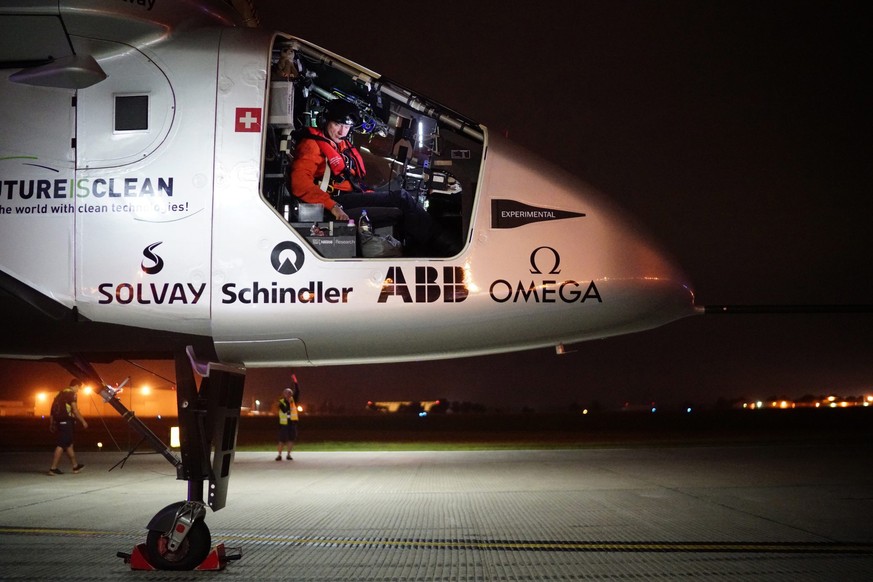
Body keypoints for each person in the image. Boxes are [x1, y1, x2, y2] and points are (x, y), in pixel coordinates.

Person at [289, 99, 459, 256]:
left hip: (348, 196)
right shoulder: (311, 145)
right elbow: (300, 184)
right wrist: (333, 207)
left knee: (403, 199)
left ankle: (431, 248)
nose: (342, 131)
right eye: (337, 124)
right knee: (401, 198)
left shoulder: (339, 143)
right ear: (325, 121)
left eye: (347, 127)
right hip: (334, 202)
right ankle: (448, 249)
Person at [48, 379, 89, 476]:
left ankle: (75, 466)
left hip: (59, 421)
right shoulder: (72, 394)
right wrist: (83, 421)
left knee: (69, 443)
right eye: (79, 388)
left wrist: (51, 423)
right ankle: (53, 468)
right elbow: (74, 410)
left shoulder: (60, 394)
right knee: (61, 444)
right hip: (66, 422)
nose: (78, 390)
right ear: (76, 386)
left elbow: (52, 410)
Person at [276, 375, 300, 461]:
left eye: (290, 393)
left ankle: (289, 455)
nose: (289, 395)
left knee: (291, 439)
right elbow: (284, 410)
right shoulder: (281, 402)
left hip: (292, 423)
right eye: (287, 393)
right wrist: (288, 403)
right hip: (284, 424)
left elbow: (297, 391)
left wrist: (295, 381)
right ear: (284, 394)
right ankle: (279, 455)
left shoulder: (294, 400)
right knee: (282, 440)